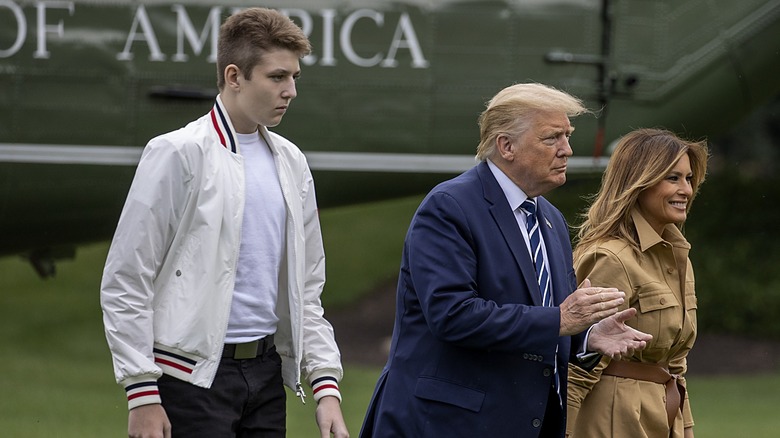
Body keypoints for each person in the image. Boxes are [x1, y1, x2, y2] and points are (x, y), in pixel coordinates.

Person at [100, 8, 348, 438]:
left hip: (268, 377)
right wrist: (141, 391)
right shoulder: (177, 153)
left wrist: (325, 386)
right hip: (188, 380)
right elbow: (126, 279)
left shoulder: (292, 162)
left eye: (294, 78)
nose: (290, 91)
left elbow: (307, 288)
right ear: (234, 76)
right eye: (276, 77)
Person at [359, 83, 653, 437]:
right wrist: (561, 319)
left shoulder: (550, 219)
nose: (567, 150)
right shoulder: (450, 207)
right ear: (506, 146)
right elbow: (452, 315)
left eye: (568, 136)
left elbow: (543, 318)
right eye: (551, 138)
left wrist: (586, 336)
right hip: (447, 425)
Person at [566, 128, 708, 438]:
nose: (686, 189)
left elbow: (675, 362)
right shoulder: (610, 257)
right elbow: (578, 363)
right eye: (672, 178)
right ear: (638, 182)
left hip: (663, 413)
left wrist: (684, 426)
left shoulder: (677, 254)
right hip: (612, 419)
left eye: (688, 178)